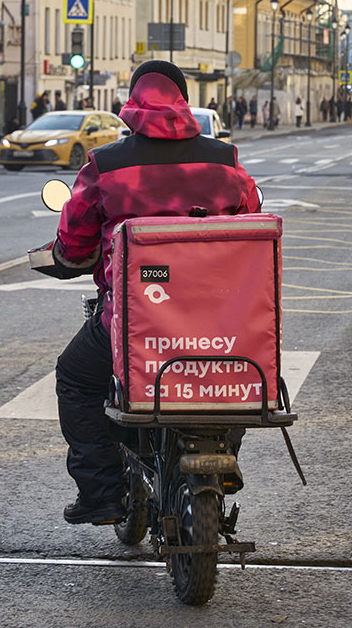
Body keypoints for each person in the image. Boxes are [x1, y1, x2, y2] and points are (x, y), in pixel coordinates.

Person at [50, 60, 261, 525]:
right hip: (218, 322)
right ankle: (222, 453)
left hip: (133, 324)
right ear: (185, 101)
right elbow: (251, 222)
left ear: (133, 102)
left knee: (76, 379)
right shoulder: (224, 162)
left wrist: (69, 255)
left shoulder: (106, 165)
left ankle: (103, 492)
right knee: (236, 379)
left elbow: (74, 240)